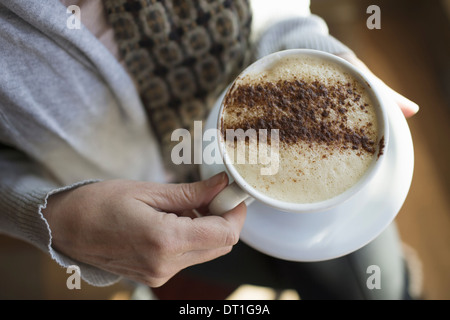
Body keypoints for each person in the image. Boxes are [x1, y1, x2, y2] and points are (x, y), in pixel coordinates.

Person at [0, 0, 419, 298]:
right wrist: (54, 217)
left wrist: (312, 52)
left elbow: (276, 10)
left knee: (372, 287)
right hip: (128, 221)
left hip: (302, 152)